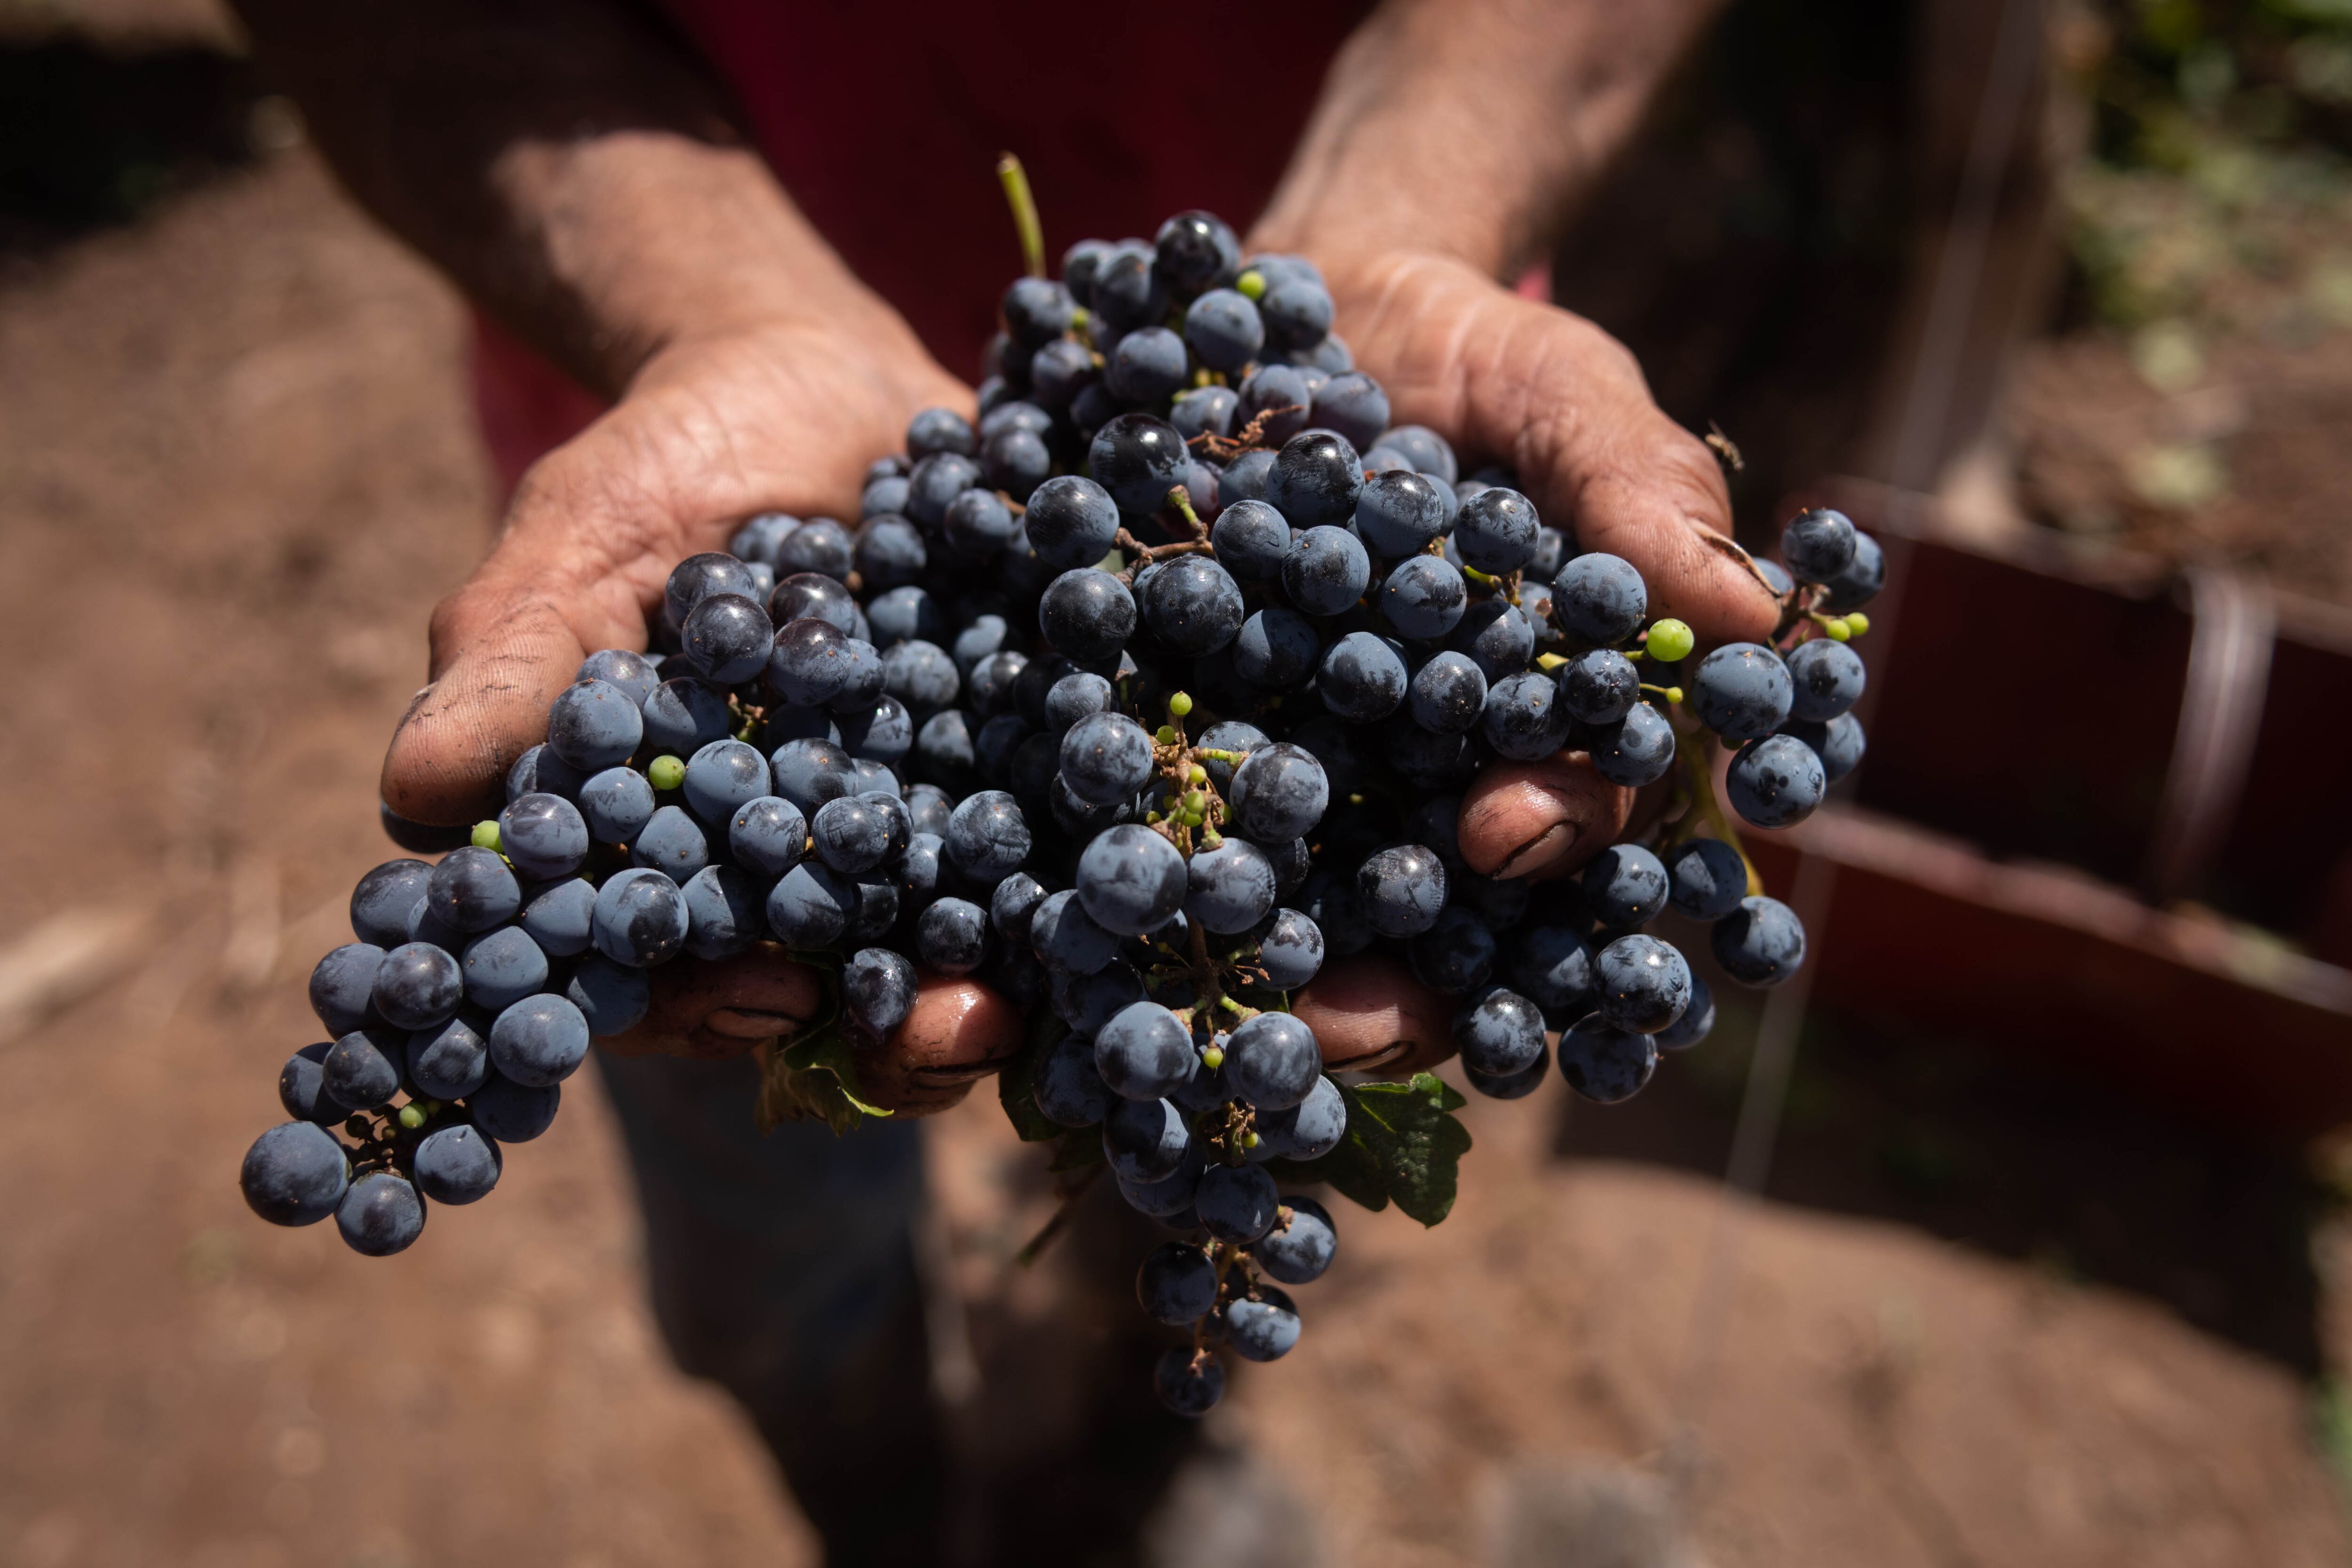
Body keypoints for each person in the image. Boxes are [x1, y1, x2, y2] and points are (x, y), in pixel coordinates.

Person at [231, 1, 1784, 1561]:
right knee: (753, 1157)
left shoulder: (1298, 511)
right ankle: (885, 1499)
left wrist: (1413, 213)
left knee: (1191, 1110)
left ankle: (1140, 1446)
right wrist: (701, 305)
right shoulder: (745, 682)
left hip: (1380, 380)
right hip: (703, 477)